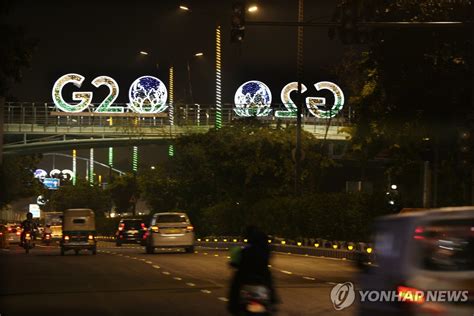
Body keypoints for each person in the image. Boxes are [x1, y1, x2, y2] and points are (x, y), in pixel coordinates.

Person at [228, 226, 278, 315]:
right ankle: (273, 300)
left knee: (235, 285)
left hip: (246, 276)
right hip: (262, 275)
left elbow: (240, 264)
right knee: (269, 281)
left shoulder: (246, 251)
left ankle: (233, 304)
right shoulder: (265, 250)